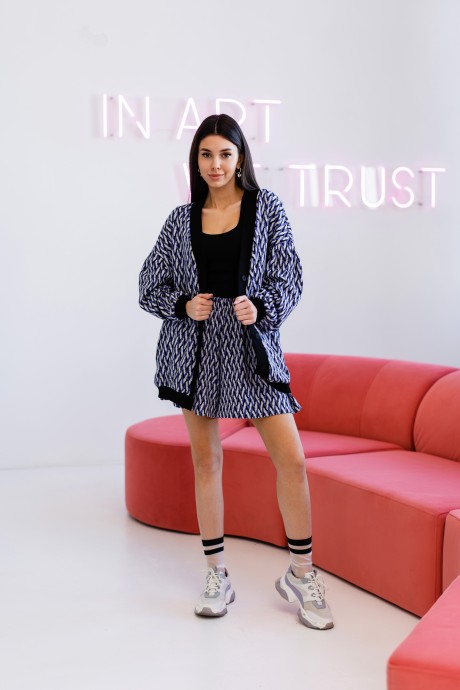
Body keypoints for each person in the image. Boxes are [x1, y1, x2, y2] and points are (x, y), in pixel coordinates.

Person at [139, 113, 333, 630]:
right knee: (206, 462)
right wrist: (183, 305)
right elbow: (148, 285)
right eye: (206, 154)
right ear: (196, 161)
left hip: (251, 350)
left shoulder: (267, 208)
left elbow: (290, 273)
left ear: (240, 157)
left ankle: (301, 574)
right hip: (195, 352)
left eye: (225, 154)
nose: (216, 164)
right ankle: (216, 574)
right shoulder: (180, 220)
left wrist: (263, 306)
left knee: (292, 461)